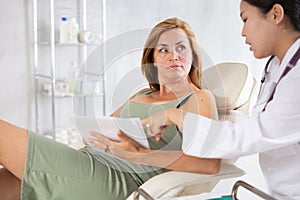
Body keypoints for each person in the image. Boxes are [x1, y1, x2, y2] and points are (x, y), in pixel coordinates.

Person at [0, 17, 220, 200]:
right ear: (152, 58)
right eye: (163, 49)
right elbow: (104, 131)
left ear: (193, 56)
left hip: (117, 180)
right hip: (90, 160)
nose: (174, 55)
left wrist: (141, 155)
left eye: (181, 47)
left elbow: (210, 165)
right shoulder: (141, 95)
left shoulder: (199, 98)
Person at [142, 1, 300, 199]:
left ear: (275, 14)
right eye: (163, 50)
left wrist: (174, 116)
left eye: (246, 19)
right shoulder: (277, 67)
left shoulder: (297, 77)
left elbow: (252, 134)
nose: (242, 32)